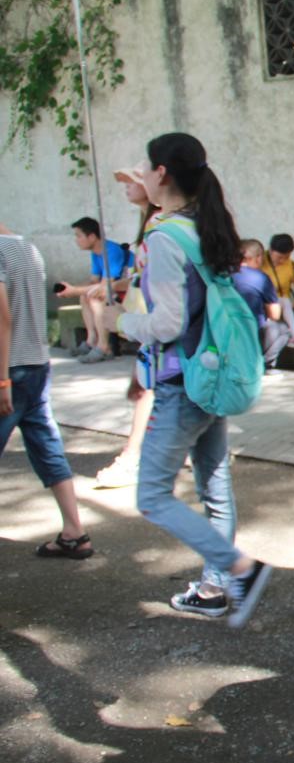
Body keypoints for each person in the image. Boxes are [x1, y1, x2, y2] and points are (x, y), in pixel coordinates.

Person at [110, 132, 272, 628]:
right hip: (212, 378)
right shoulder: (204, 225)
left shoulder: (165, 237)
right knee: (215, 488)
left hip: (183, 384)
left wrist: (119, 321)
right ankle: (217, 588)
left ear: (162, 172)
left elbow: (166, 324)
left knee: (152, 495)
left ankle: (241, 570)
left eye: (145, 167)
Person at [0, 221, 92, 560]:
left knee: (46, 446)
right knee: (46, 447)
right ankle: (74, 532)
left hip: (10, 369)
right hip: (37, 364)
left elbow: (2, 319)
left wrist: (3, 381)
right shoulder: (27, 247)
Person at [94, 165, 161, 490]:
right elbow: (140, 275)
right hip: (147, 322)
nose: (127, 187)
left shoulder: (159, 226)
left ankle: (132, 455)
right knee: (154, 388)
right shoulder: (149, 225)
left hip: (155, 323)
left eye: (133, 181)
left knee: (149, 389)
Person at [55, 217, 133, 363]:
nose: (76, 240)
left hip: (131, 290)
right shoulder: (96, 253)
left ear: (91, 236)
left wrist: (75, 290)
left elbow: (105, 286)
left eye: (79, 236)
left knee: (96, 298)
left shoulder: (111, 251)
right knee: (85, 296)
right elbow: (94, 281)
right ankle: (91, 341)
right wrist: (74, 289)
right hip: (117, 288)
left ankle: (104, 347)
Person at [235, 239, 287, 369]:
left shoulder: (223, 275)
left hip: (225, 329)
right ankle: (265, 364)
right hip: (253, 331)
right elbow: (275, 315)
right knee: (283, 329)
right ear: (258, 258)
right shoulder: (261, 278)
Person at [264, 234, 294, 349]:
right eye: (279, 257)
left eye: (287, 256)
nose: (283, 260)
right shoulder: (259, 261)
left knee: (285, 301)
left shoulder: (292, 266)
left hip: (283, 310)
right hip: (264, 307)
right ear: (270, 250)